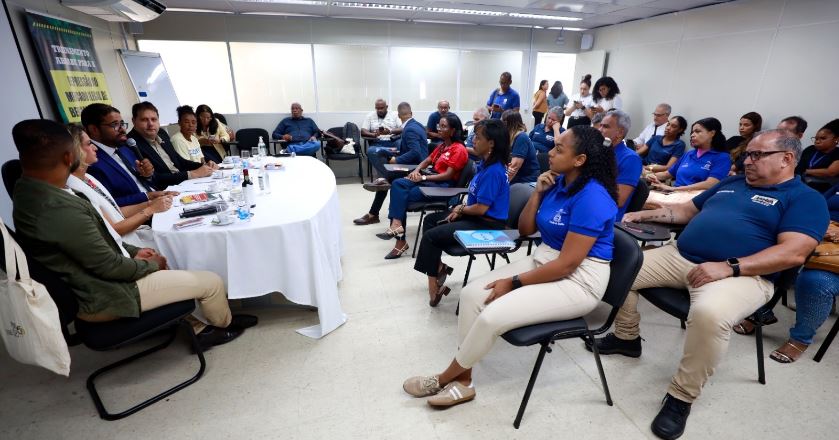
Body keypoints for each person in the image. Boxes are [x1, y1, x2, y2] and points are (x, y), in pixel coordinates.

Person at [589, 129, 828, 440]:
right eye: (746, 155)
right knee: (621, 270)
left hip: (744, 275)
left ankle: (680, 397)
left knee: (710, 316)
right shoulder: (731, 183)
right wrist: (646, 215)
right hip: (681, 255)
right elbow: (686, 212)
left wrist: (731, 266)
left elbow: (793, 252)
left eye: (757, 155)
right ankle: (626, 338)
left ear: (787, 159)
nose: (747, 161)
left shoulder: (805, 199)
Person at [403, 125, 618, 407]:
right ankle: (464, 380)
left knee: (491, 317)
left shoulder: (593, 197)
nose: (549, 153)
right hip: (547, 258)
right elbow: (526, 230)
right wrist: (538, 194)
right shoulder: (559, 183)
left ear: (580, 160)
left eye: (559, 149)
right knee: (469, 294)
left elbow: (567, 265)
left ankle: (445, 377)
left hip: (579, 280)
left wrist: (514, 282)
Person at [11, 119, 258, 352]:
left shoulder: (29, 190)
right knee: (211, 282)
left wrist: (134, 253)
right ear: (69, 157)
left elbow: (101, 236)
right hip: (107, 295)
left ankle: (203, 320)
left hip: (98, 282)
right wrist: (147, 265)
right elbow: (108, 266)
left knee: (174, 261)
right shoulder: (59, 207)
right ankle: (218, 327)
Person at [413, 119, 511, 307]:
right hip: (475, 216)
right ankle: (439, 268)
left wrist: (459, 209)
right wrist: (460, 211)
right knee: (431, 220)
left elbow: (481, 208)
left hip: (487, 225)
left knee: (431, 237)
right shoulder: (485, 165)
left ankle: (434, 288)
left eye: (478, 137)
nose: (473, 140)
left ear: (491, 143)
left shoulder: (494, 171)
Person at [377, 114, 469, 259]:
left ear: (453, 130)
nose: (439, 129)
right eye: (439, 125)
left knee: (400, 197)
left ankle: (399, 240)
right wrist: (416, 171)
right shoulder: (443, 146)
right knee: (398, 184)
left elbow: (448, 176)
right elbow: (427, 160)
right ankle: (396, 225)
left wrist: (424, 177)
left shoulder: (459, 149)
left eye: (444, 126)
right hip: (430, 179)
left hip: (442, 186)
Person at [765, 183, 839, 363]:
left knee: (816, 281)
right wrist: (821, 222)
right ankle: (761, 310)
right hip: (825, 233)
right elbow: (818, 201)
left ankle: (800, 338)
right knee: (777, 250)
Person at [67, 125, 171, 249]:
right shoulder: (74, 188)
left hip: (132, 236)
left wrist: (151, 203)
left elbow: (115, 211)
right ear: (74, 150)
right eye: (89, 144)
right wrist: (150, 210)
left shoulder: (88, 178)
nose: (95, 148)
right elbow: (112, 229)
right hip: (125, 246)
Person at [353, 102, 428, 225]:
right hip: (416, 163)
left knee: (389, 175)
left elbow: (415, 152)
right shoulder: (417, 125)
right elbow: (413, 150)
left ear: (398, 115)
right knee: (387, 172)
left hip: (416, 167)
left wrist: (396, 160)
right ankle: (375, 209)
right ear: (411, 113)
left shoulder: (409, 129)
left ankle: (374, 210)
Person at [82, 103, 161, 207]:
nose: (123, 129)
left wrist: (147, 175)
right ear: (94, 130)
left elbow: (147, 182)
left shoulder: (124, 148)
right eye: (115, 125)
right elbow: (108, 204)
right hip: (140, 213)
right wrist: (147, 196)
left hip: (158, 200)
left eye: (122, 123)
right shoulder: (91, 160)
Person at [128, 101, 215, 187]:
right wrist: (191, 174)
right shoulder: (131, 143)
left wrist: (204, 166)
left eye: (154, 119)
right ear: (134, 121)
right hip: (166, 190)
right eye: (144, 120)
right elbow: (155, 178)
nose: (150, 124)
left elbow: (179, 161)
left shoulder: (162, 133)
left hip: (183, 182)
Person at [646, 117, 731, 193]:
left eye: (697, 131)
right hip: (674, 193)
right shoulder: (689, 154)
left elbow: (710, 184)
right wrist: (651, 176)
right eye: (692, 132)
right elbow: (668, 173)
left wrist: (673, 189)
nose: (692, 135)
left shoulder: (722, 157)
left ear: (712, 133)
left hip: (695, 199)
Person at [597, 110, 642, 220]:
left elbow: (619, 199)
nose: (599, 130)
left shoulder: (630, 159)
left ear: (620, 132)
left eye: (605, 127)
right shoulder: (597, 151)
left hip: (603, 216)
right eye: (600, 125)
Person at [794, 119, 839, 192]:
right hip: (802, 184)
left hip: (826, 189)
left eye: (823, 138)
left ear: (836, 139)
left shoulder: (837, 153)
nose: (817, 141)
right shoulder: (810, 149)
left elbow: (831, 172)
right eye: (816, 139)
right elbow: (797, 167)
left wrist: (806, 171)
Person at [502, 110, 540, 184]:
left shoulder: (521, 138)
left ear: (508, 124)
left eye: (503, 122)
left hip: (527, 179)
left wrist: (501, 187)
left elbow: (513, 168)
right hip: (518, 177)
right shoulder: (508, 137)